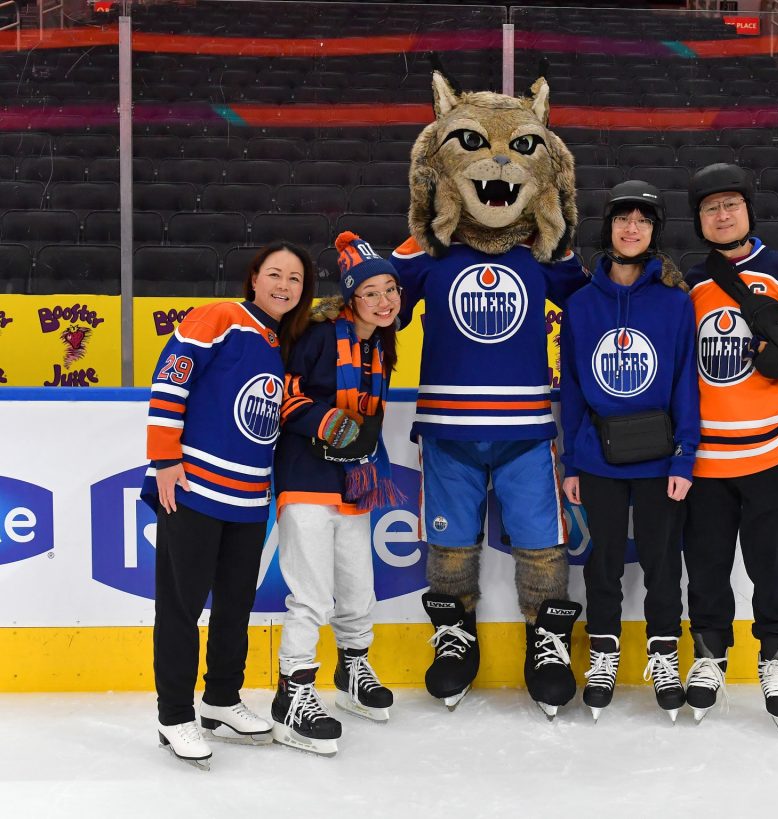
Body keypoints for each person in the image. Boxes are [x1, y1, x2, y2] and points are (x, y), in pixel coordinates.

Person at [392, 65, 589, 718]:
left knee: (541, 542)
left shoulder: (541, 254)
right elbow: (378, 303)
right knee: (449, 545)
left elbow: (596, 306)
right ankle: (456, 637)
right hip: (447, 434)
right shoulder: (427, 251)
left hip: (526, 434)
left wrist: (650, 285)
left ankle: (547, 641)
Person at [142, 241, 315, 770]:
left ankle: (220, 699)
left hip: (248, 497)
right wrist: (164, 458)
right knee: (181, 606)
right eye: (275, 274)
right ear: (254, 278)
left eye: (295, 279)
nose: (284, 285)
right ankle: (174, 715)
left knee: (235, 606)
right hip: (193, 487)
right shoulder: (219, 318)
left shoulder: (279, 343)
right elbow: (170, 380)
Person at [676, 163, 778, 733]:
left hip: (772, 455)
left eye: (731, 205)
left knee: (774, 568)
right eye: (710, 208)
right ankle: (710, 657)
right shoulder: (691, 284)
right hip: (706, 462)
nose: (722, 216)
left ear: (748, 210)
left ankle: (776, 659)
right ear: (699, 220)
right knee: (707, 568)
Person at [559, 181, 700, 722]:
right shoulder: (580, 305)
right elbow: (573, 388)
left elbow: (686, 383)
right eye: (623, 218)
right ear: (609, 228)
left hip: (661, 458)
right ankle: (604, 656)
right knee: (604, 564)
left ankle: (664, 656)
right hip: (598, 456)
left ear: (654, 231)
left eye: (643, 219)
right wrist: (573, 461)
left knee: (664, 563)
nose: (632, 227)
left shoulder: (676, 303)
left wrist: (684, 457)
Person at [269, 231, 405, 756]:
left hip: (352, 479)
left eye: (390, 289)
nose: (384, 300)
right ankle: (293, 694)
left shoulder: (379, 344)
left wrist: (355, 438)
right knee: (311, 595)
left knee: (357, 587)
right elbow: (284, 395)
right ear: (351, 297)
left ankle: (352, 670)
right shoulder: (319, 335)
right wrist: (333, 424)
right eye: (370, 292)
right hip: (306, 476)